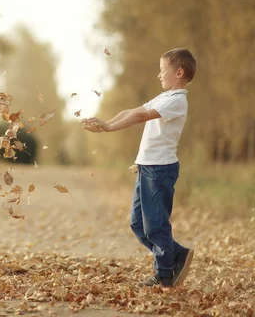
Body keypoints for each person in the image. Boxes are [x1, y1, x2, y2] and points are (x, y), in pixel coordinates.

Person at [81, 48, 196, 288]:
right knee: (137, 223)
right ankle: (177, 254)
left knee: (155, 224)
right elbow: (133, 111)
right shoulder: (164, 97)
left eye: (163, 70)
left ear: (179, 72)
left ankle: (164, 274)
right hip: (146, 167)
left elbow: (142, 118)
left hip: (160, 169)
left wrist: (110, 128)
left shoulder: (177, 101)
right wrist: (105, 124)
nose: (159, 75)